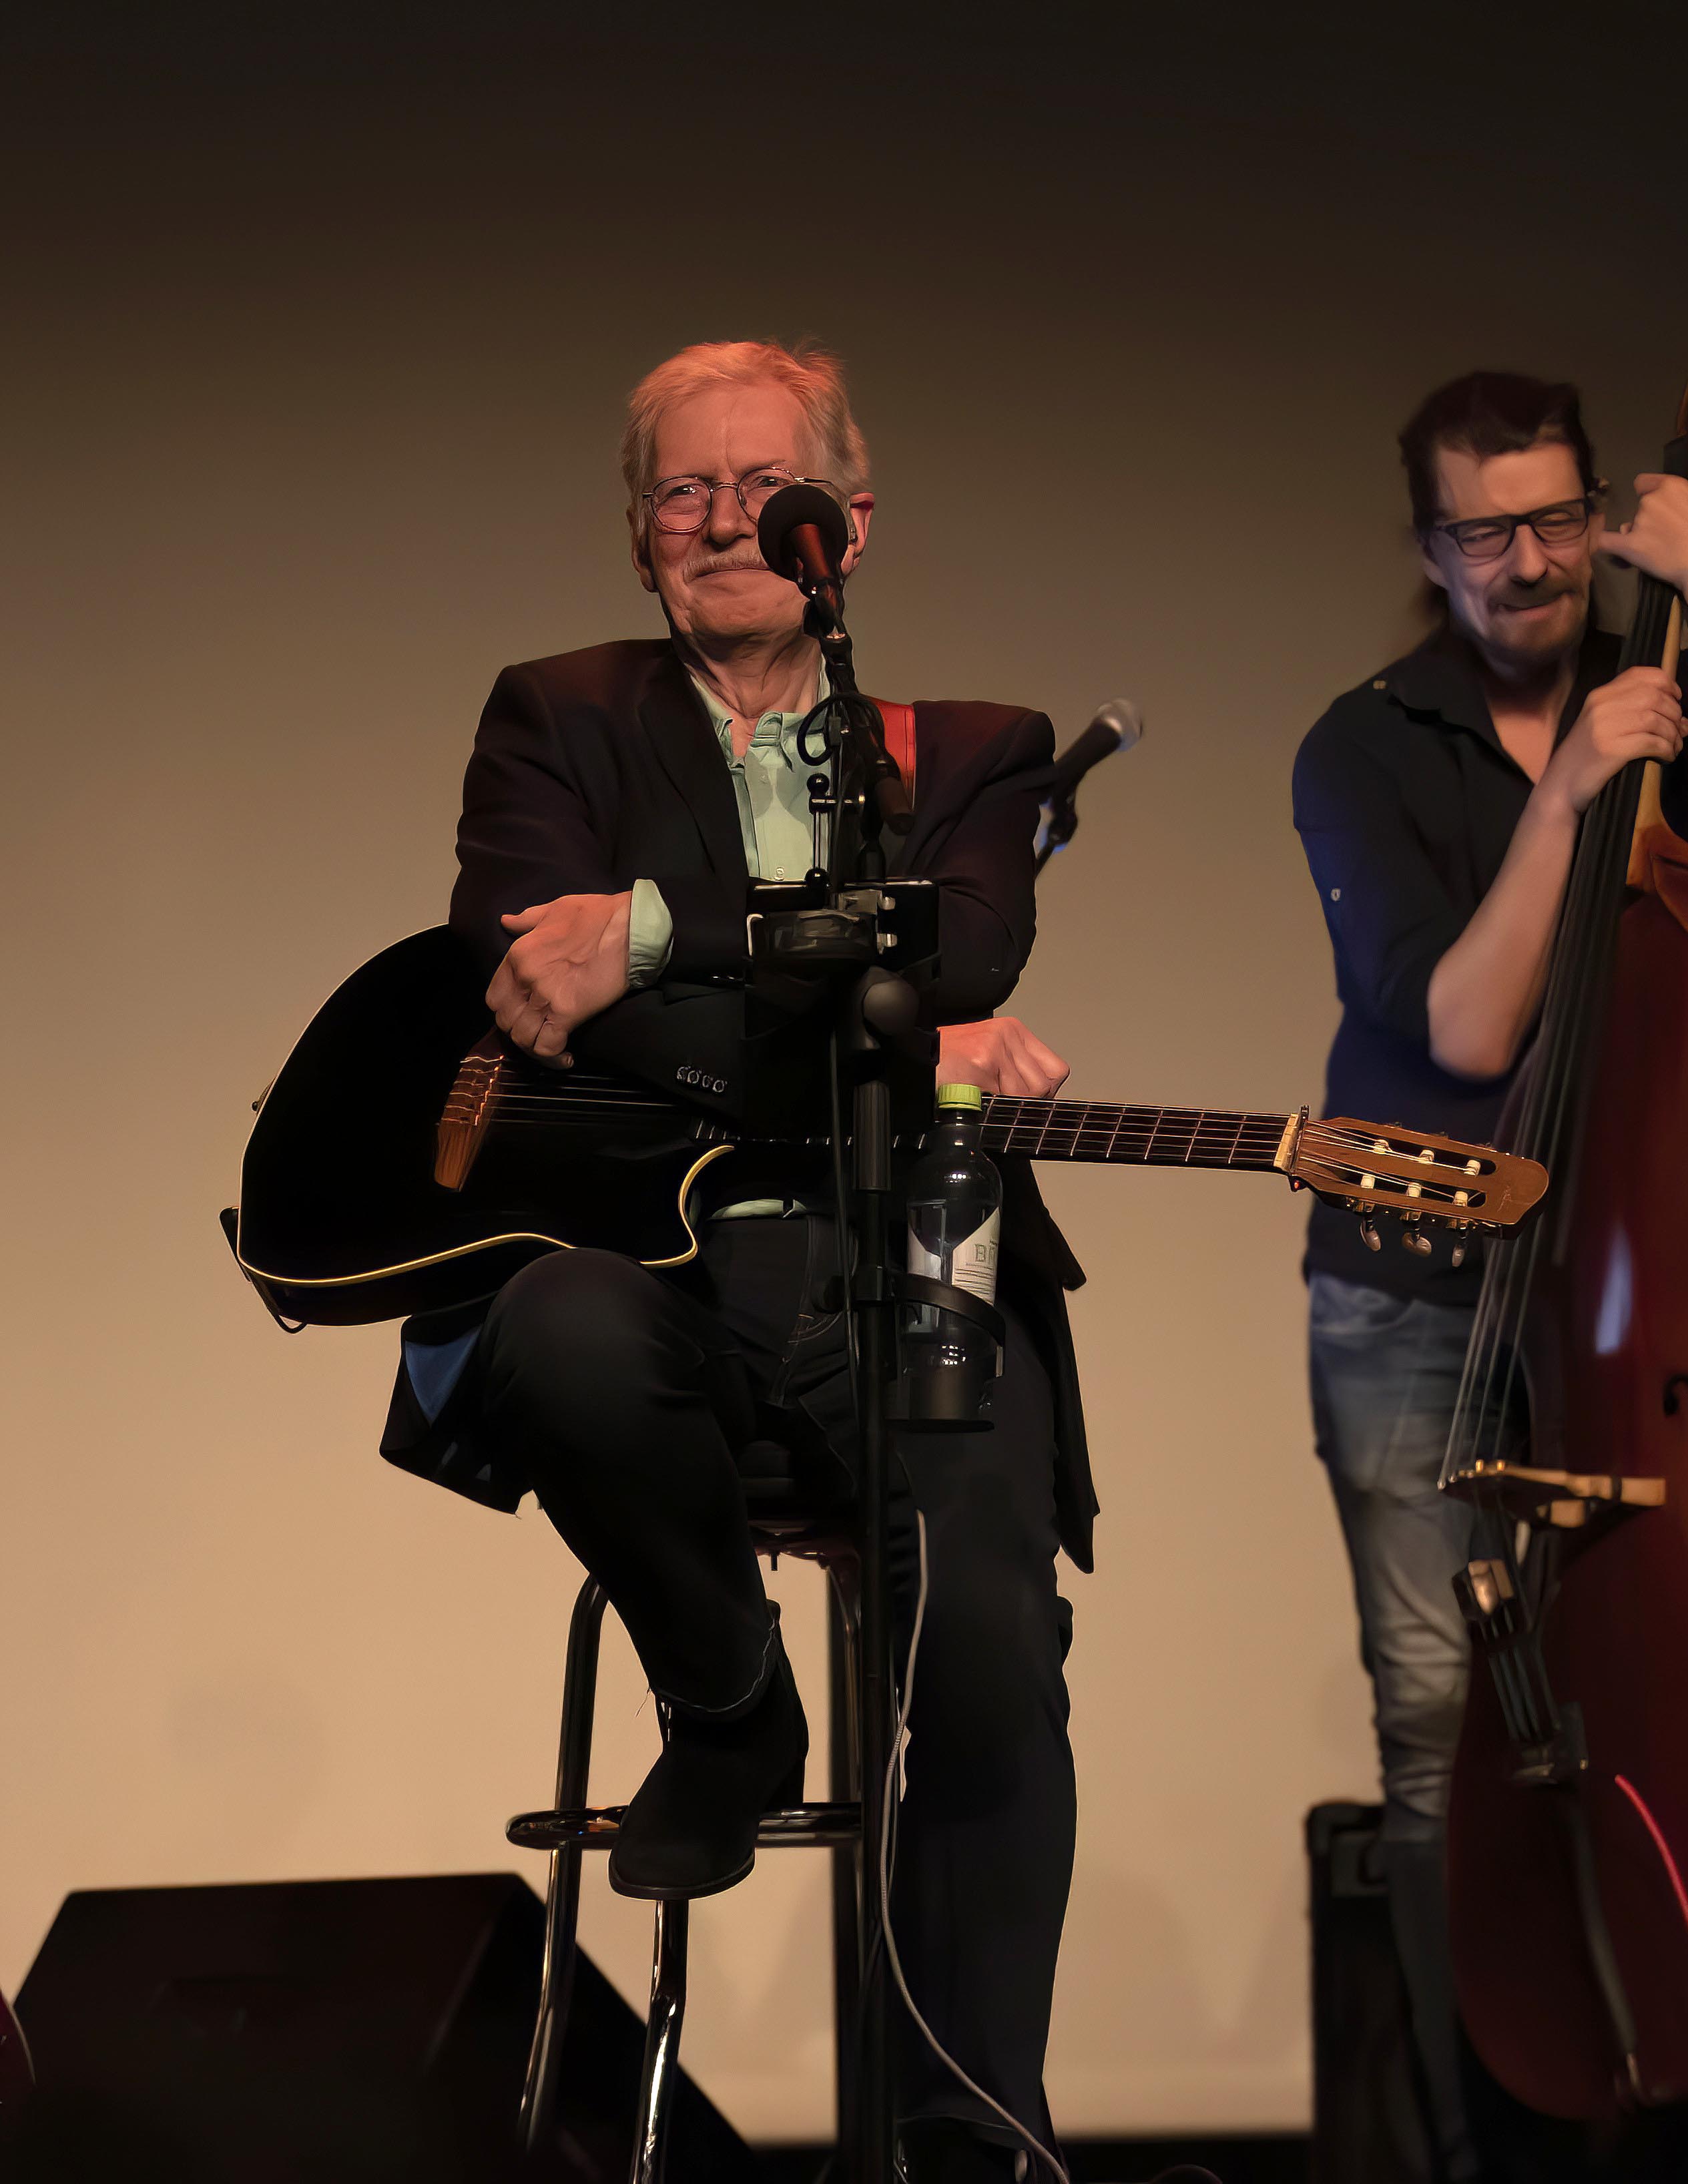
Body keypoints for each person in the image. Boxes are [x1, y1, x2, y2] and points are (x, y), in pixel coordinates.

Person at [381, 340, 1089, 2184]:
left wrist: (659, 927)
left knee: (999, 1642)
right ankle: (728, 1701)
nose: (718, 524)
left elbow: (966, 951)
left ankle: (970, 2136)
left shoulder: (978, 750)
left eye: (757, 488)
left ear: (845, 525)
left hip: (911, 1266)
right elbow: (544, 1001)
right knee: (543, 1325)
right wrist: (839, 999)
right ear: (638, 534)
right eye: (680, 492)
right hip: (660, 1269)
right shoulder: (561, 715)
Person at [1289, 371, 1688, 2173]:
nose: (1525, 564)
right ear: (1428, 548)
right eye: (1482, 532)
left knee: (1659, 1689)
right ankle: (1481, 2140)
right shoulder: (1365, 745)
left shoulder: (1654, 657)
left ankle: (1671, 2106)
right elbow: (1465, 1022)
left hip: (1617, 1292)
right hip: (1415, 1285)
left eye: (1556, 520)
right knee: (1441, 1736)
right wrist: (1574, 788)